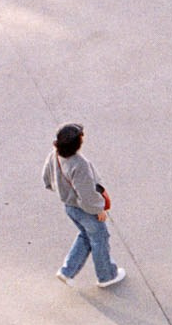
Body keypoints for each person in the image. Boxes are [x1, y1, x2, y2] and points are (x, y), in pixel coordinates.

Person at [44, 123, 124, 288]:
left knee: (86, 236)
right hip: (85, 209)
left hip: (69, 207)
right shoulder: (79, 165)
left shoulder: (55, 154)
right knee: (100, 239)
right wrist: (98, 209)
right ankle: (107, 276)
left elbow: (46, 176)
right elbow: (87, 194)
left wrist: (58, 189)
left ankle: (67, 271)